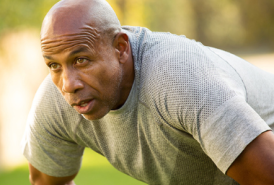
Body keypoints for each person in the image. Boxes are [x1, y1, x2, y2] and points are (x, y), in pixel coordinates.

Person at [21, 0, 274, 184]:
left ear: (121, 48)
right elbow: (45, 181)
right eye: (54, 65)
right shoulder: (56, 102)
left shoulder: (179, 78)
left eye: (81, 60)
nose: (68, 84)